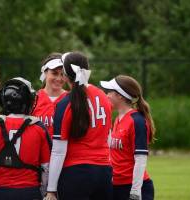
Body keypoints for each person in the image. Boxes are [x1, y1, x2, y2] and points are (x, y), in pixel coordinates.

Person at [45, 52, 113, 200]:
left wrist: (51, 190)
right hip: (104, 173)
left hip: (76, 174)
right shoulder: (103, 96)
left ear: (64, 74)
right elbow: (108, 136)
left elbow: (58, 151)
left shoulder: (66, 103)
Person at [0, 77, 51, 200]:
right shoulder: (38, 128)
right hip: (30, 191)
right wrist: (44, 192)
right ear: (27, 100)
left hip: (0, 192)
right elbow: (46, 167)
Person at [100, 75, 155, 200]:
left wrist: (135, 192)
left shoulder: (137, 121)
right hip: (116, 186)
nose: (106, 95)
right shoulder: (118, 119)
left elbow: (140, 159)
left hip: (134, 188)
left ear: (120, 95)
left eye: (109, 92)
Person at [32, 52, 67, 137]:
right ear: (45, 73)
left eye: (62, 74)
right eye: (54, 73)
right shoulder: (33, 99)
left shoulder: (71, 100)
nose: (59, 78)